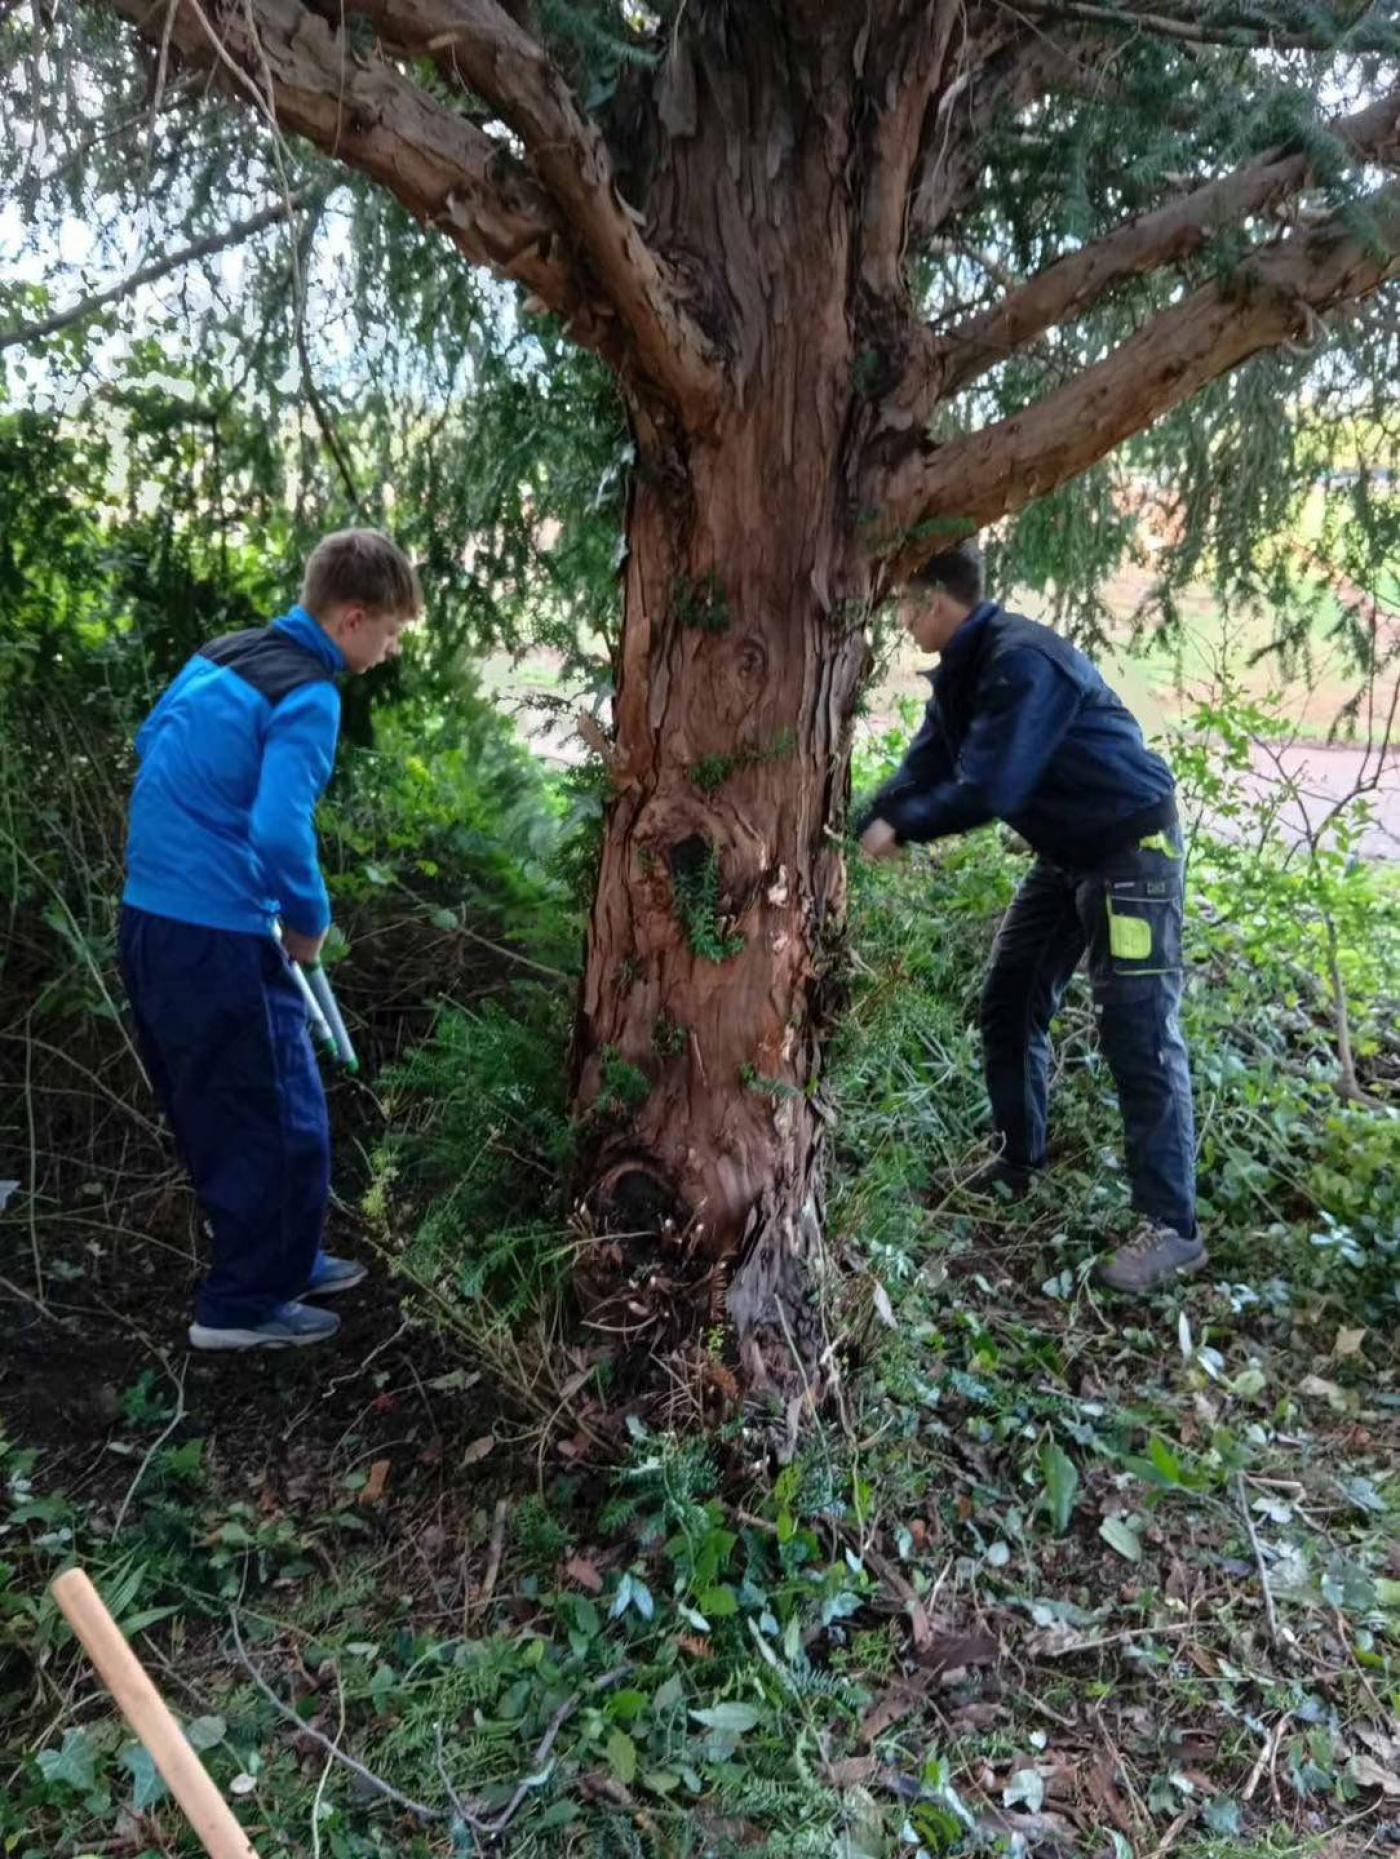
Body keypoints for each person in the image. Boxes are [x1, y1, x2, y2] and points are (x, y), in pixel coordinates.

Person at [859, 540, 1202, 1293]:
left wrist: (905, 827)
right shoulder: (967, 670)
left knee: (1137, 1029)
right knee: (1010, 999)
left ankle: (1173, 1228)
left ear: (935, 597)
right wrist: (859, 822)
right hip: (1069, 854)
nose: (896, 614)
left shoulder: (1021, 661)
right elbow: (925, 766)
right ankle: (1018, 1163)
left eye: (903, 599)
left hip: (1130, 849)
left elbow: (991, 786)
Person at [119, 530, 422, 1349]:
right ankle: (242, 1307)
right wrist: (308, 924)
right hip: (215, 932)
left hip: (150, 920)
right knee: (282, 1112)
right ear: (352, 617)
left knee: (226, 1104)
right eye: (390, 633)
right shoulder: (310, 695)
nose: (389, 651)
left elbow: (154, 745)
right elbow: (281, 827)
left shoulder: (227, 652)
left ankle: (282, 1257)